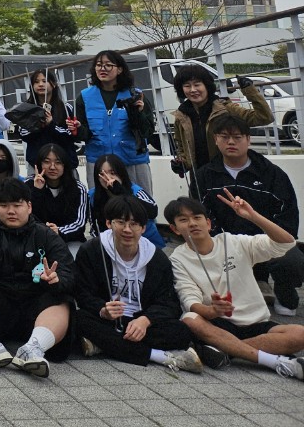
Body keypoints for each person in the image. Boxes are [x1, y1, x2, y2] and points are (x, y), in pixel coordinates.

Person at [165, 193, 304, 378]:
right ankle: (275, 361)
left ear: (208, 223)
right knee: (190, 319)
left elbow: (286, 244)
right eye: (184, 220)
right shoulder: (177, 258)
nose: (192, 223)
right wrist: (212, 311)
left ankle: (225, 350)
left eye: (197, 217)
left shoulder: (232, 241)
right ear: (174, 229)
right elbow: (189, 299)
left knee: (299, 333)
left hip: (255, 321)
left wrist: (253, 216)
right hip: (219, 324)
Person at [73, 195, 200, 372]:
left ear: (143, 228)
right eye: (121, 223)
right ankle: (160, 357)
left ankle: (103, 345)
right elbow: (82, 293)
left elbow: (169, 303)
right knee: (78, 319)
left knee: (181, 332)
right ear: (109, 223)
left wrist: (145, 320)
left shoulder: (156, 258)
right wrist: (102, 309)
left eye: (134, 224)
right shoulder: (92, 250)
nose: (127, 230)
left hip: (141, 322)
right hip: (108, 319)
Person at [0, 178, 74, 377]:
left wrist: (57, 279)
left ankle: (33, 349)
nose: (10, 211)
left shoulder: (45, 235)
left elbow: (67, 271)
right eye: (4, 205)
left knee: (62, 300)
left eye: (17, 205)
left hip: (37, 303)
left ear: (29, 206)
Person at [194, 114, 303, 317]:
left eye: (237, 136)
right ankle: (247, 286)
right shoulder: (204, 175)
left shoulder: (272, 174)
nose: (231, 142)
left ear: (248, 139)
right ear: (216, 140)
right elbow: (201, 214)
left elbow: (288, 216)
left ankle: (285, 295)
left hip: (265, 240)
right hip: (225, 241)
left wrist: (270, 236)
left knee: (292, 258)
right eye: (224, 137)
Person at [73, 50, 156, 194]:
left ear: (120, 69)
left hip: (132, 160)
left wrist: (139, 114)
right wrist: (78, 129)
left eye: (108, 65)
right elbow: (84, 135)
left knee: (140, 205)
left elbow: (147, 131)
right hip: (98, 163)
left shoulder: (135, 95)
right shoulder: (84, 97)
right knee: (101, 207)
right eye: (98, 65)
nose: (102, 69)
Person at [171, 68, 271, 178]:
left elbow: (264, 117)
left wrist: (249, 90)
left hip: (228, 176)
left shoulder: (225, 109)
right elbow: (182, 147)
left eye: (197, 84)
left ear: (207, 85)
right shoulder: (181, 116)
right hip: (199, 179)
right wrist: (181, 163)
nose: (193, 90)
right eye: (187, 86)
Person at [89, 154, 165, 249]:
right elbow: (94, 226)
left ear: (121, 173)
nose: (107, 178)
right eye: (102, 174)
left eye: (112, 173)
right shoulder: (92, 195)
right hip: (111, 245)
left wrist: (121, 192)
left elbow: (153, 212)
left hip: (146, 241)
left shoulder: (135, 190)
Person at [9, 69, 78, 169]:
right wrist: (38, 125)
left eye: (44, 81)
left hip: (63, 163)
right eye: (36, 82)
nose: (40, 84)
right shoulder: (26, 108)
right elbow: (24, 134)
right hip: (36, 163)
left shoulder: (65, 108)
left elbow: (70, 135)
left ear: (53, 84)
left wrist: (51, 124)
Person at [29, 144, 89, 256]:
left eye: (58, 162)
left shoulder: (78, 188)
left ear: (65, 165)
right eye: (47, 162)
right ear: (39, 164)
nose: (52, 167)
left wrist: (59, 231)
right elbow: (27, 216)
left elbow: (79, 223)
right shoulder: (28, 184)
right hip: (36, 240)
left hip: (69, 240)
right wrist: (37, 191)